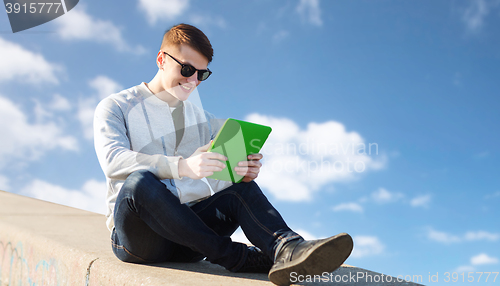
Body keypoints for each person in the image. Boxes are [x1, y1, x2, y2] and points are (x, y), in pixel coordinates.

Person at [94, 23, 353, 286]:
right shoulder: (116, 106)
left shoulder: (203, 122)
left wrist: (240, 172)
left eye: (201, 75)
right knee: (139, 182)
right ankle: (239, 257)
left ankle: (287, 249)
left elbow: (214, 179)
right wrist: (183, 166)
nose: (192, 81)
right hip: (139, 240)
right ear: (161, 59)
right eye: (186, 69)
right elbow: (113, 161)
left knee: (241, 189)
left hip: (188, 240)